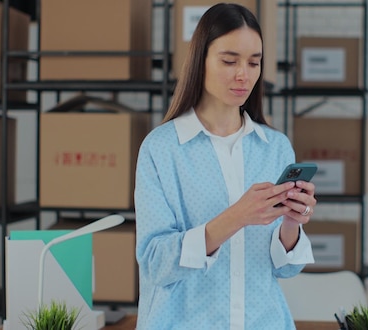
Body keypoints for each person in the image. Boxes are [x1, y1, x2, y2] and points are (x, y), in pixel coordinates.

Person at [134, 3, 316, 329]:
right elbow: (154, 265)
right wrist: (235, 218)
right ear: (200, 60)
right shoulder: (161, 149)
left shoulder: (275, 148)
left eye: (254, 63)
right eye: (229, 61)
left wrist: (292, 224)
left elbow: (284, 268)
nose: (243, 74)